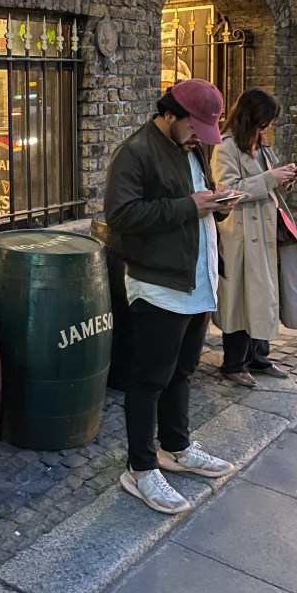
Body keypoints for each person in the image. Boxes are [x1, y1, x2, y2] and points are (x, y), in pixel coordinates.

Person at [104, 79, 237, 515]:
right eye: (194, 126)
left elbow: (196, 198)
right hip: (158, 285)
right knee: (148, 380)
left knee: (183, 370)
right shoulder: (136, 151)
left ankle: (176, 447)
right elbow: (121, 214)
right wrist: (189, 207)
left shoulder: (192, 147)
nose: (201, 136)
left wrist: (218, 203)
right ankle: (140, 469)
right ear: (169, 114)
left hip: (196, 279)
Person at [210, 88, 297, 386]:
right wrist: (270, 178)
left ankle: (258, 356)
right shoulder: (225, 147)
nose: (268, 128)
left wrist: (286, 176)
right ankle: (234, 363)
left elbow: (270, 181)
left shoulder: (261, 145)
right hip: (241, 234)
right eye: (264, 122)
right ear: (251, 118)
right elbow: (227, 189)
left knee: (264, 296)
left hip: (265, 232)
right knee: (240, 298)